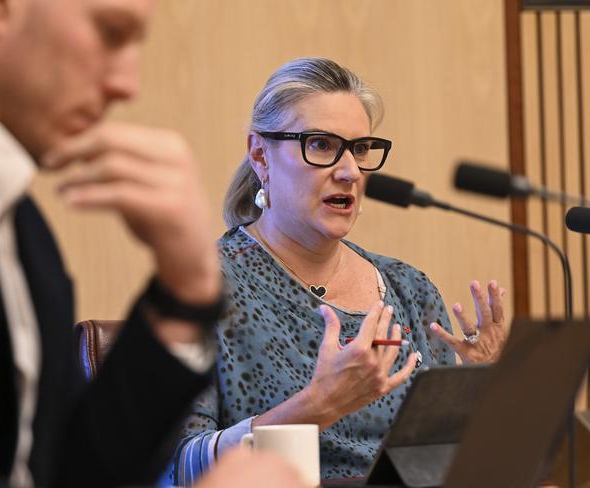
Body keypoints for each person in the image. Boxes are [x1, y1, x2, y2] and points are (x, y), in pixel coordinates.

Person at [0, 1, 307, 487]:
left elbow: (77, 473)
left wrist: (186, 292)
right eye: (111, 33)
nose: (126, 84)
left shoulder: (22, 229)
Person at [169, 57, 509, 484]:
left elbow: (439, 464)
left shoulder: (409, 288)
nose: (349, 172)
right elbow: (178, 468)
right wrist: (315, 407)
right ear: (260, 155)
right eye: (321, 145)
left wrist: (480, 392)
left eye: (360, 148)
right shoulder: (198, 288)